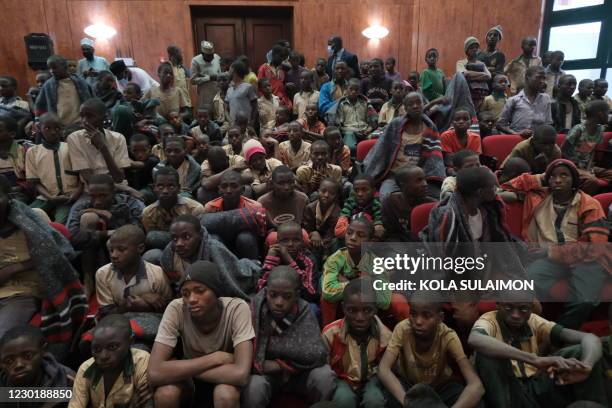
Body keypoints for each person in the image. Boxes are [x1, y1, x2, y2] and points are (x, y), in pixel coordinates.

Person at [501, 159, 609, 329]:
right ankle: (536, 328)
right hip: (549, 260)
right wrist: (543, 177)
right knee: (526, 281)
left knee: (586, 300)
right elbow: (507, 186)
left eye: (564, 176)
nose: (558, 180)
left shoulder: (590, 205)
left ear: (574, 179)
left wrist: (550, 251)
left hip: (584, 259)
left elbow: (594, 248)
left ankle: (556, 335)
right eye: (553, 176)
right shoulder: (537, 197)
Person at [148, 261, 254, 408]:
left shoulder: (236, 308)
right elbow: (154, 373)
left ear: (215, 291)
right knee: (165, 394)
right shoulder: (176, 308)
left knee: (225, 394)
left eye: (200, 290)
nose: (191, 299)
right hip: (192, 382)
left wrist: (176, 369)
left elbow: (241, 374)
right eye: (185, 294)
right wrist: (215, 358)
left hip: (224, 378)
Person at [0, 173, 86, 352]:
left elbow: (57, 253)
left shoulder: (29, 221)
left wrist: (14, 268)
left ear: (8, 197)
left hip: (22, 292)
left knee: (3, 337)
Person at [468, 297, 608, 407]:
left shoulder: (534, 321)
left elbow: (590, 338)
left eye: (523, 309)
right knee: (487, 355)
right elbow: (475, 339)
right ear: (498, 305)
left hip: (535, 386)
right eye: (508, 308)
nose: (516, 315)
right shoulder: (489, 320)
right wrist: (535, 359)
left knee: (581, 351)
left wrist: (587, 364)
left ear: (530, 309)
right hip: (508, 389)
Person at [245, 266, 335, 407]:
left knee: (324, 375)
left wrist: (279, 365)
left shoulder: (305, 310)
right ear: (266, 292)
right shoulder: (253, 310)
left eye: (287, 296)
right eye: (273, 295)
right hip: (267, 376)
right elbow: (244, 358)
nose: (279, 302)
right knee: (254, 385)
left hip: (299, 375)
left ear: (297, 295)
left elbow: (317, 354)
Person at [378, 293, 484, 408]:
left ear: (440, 318)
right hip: (409, 386)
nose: (418, 321)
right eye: (413, 314)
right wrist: (408, 403)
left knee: (476, 403)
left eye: (426, 316)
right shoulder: (403, 329)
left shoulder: (448, 336)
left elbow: (476, 385)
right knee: (390, 398)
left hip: (440, 387)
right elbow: (383, 369)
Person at [363, 92, 446, 201]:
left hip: (420, 177)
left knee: (440, 198)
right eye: (411, 104)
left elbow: (433, 159)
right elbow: (381, 150)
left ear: (423, 104)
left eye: (418, 103)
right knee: (386, 198)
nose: (415, 106)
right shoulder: (395, 125)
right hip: (395, 176)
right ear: (405, 108)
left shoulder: (430, 128)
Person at [322, 278, 390, 408]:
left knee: (375, 400)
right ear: (343, 308)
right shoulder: (331, 333)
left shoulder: (385, 336)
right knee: (343, 400)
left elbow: (387, 371)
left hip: (372, 379)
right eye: (352, 311)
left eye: (367, 310)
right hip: (341, 379)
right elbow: (325, 369)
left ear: (376, 309)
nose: (360, 318)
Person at [322, 216, 400, 326]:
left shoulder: (376, 263)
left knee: (397, 301)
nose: (353, 238)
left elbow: (384, 300)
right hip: (344, 304)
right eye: (349, 233)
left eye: (361, 235)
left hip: (367, 309)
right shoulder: (334, 260)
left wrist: (351, 284)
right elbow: (328, 292)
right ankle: (327, 333)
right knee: (325, 300)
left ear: (370, 242)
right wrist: (365, 283)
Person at [70, 314, 153, 408]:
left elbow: (147, 403)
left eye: (113, 347)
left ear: (131, 341)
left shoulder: (141, 361)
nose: (103, 356)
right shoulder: (85, 369)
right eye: (97, 349)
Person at [95, 224, 172, 318]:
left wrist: (149, 307)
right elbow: (106, 315)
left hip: (150, 320)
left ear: (140, 248)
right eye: (111, 250)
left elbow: (169, 311)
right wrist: (130, 305)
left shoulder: (157, 274)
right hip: (118, 323)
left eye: (121, 250)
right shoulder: (103, 273)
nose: (113, 255)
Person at [26, 112, 82, 223]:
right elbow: (35, 182)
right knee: (27, 217)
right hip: (45, 197)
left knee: (61, 222)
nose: (53, 132)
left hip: (68, 198)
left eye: (57, 128)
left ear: (62, 129)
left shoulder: (71, 148)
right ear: (39, 128)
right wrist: (50, 197)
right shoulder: (33, 152)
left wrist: (75, 195)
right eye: (47, 128)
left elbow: (82, 178)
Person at [66, 98, 131, 187]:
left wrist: (103, 147)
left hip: (118, 190)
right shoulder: (74, 138)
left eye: (90, 116)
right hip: (92, 192)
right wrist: (124, 189)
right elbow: (88, 178)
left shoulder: (118, 138)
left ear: (104, 117)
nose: (84, 121)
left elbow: (119, 178)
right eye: (82, 116)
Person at [141, 166, 204, 256]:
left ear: (178, 188)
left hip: (192, 248)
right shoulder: (148, 213)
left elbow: (199, 237)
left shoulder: (195, 208)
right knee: (152, 245)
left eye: (171, 186)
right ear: (154, 188)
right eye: (160, 186)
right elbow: (153, 241)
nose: (165, 191)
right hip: (165, 251)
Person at [202, 170, 262, 259]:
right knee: (214, 239)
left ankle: (254, 267)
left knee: (245, 238)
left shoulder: (254, 207)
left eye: (234, 186)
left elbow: (260, 235)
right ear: (219, 190)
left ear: (243, 190)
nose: (229, 191)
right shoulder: (210, 207)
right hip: (222, 245)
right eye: (224, 186)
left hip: (246, 246)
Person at [257, 221, 320, 304]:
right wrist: (270, 260)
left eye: (296, 240)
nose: (290, 244)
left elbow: (310, 295)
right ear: (278, 242)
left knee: (312, 308)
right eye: (285, 240)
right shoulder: (274, 255)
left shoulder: (308, 260)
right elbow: (261, 290)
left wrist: (289, 261)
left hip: (299, 300)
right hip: (276, 301)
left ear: (301, 242)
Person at [0, 326, 74, 391]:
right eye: (9, 361)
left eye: (28, 356)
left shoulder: (68, 381)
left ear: (43, 350)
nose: (19, 365)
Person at [561, 100, 611, 195]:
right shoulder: (578, 130)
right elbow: (562, 151)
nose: (608, 115)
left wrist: (588, 168)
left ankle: (600, 198)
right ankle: (581, 199)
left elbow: (592, 152)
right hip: (571, 166)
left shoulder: (599, 129)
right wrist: (577, 167)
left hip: (587, 166)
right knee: (592, 181)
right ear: (600, 114)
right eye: (607, 112)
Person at [382, 165, 436, 241]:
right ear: (403, 185)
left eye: (424, 179)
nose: (425, 184)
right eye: (419, 180)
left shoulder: (432, 205)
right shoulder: (390, 202)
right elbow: (391, 232)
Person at [35, 55, 93, 125]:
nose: (52, 71)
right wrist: (37, 121)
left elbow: (91, 100)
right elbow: (40, 105)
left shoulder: (80, 82)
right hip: (59, 126)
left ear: (65, 66)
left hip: (81, 123)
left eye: (54, 67)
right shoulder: (48, 85)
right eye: (50, 68)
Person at [497, 66, 553, 137]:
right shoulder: (514, 100)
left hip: (538, 143)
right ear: (527, 78)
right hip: (517, 142)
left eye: (544, 78)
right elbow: (500, 125)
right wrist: (517, 134)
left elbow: (548, 124)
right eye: (539, 77)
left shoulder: (546, 99)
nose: (543, 81)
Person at [302, 178, 341, 260]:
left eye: (331, 193)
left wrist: (322, 243)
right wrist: (313, 232)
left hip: (328, 242)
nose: (326, 195)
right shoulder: (310, 208)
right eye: (323, 191)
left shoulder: (337, 212)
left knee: (335, 243)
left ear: (336, 196)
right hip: (313, 239)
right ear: (318, 191)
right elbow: (306, 226)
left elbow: (331, 233)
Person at [334, 174, 384, 239]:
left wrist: (378, 225)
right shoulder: (350, 202)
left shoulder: (376, 204)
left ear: (373, 191)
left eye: (364, 190)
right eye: (356, 190)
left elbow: (378, 219)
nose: (360, 194)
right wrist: (342, 223)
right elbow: (344, 215)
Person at [335, 78, 377, 153]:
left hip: (365, 131)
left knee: (375, 146)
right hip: (349, 132)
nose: (353, 92)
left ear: (359, 91)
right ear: (346, 89)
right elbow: (339, 125)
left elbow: (372, 120)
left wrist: (367, 130)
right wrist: (353, 131)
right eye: (351, 89)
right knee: (350, 148)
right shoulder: (342, 104)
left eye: (356, 90)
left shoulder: (365, 103)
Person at [457, 36, 491, 108]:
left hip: (480, 95)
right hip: (466, 95)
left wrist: (471, 76)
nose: (475, 49)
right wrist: (482, 75)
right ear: (467, 50)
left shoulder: (482, 64)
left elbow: (488, 76)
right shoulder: (461, 63)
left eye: (476, 47)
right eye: (471, 48)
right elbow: (464, 74)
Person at [190, 41, 221, 110]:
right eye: (209, 56)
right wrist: (208, 78)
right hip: (204, 95)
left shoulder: (217, 57)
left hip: (217, 93)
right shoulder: (195, 61)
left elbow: (220, 74)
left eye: (212, 54)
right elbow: (192, 80)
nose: (212, 57)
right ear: (202, 54)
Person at [226, 61, 258, 127]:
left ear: (234, 71)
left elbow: (255, 106)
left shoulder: (248, 87)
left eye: (229, 70)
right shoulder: (229, 89)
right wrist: (230, 122)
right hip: (233, 125)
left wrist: (252, 121)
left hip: (246, 124)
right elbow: (226, 109)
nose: (228, 72)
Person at [167, 44, 192, 109]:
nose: (180, 55)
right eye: (178, 53)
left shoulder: (182, 67)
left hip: (186, 102)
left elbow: (190, 76)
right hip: (175, 103)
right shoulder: (168, 67)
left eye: (180, 53)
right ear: (171, 55)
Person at [211, 72, 231, 136]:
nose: (221, 82)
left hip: (231, 123)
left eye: (224, 80)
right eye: (219, 80)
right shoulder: (215, 99)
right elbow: (216, 116)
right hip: (220, 123)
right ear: (217, 83)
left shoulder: (233, 96)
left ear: (229, 81)